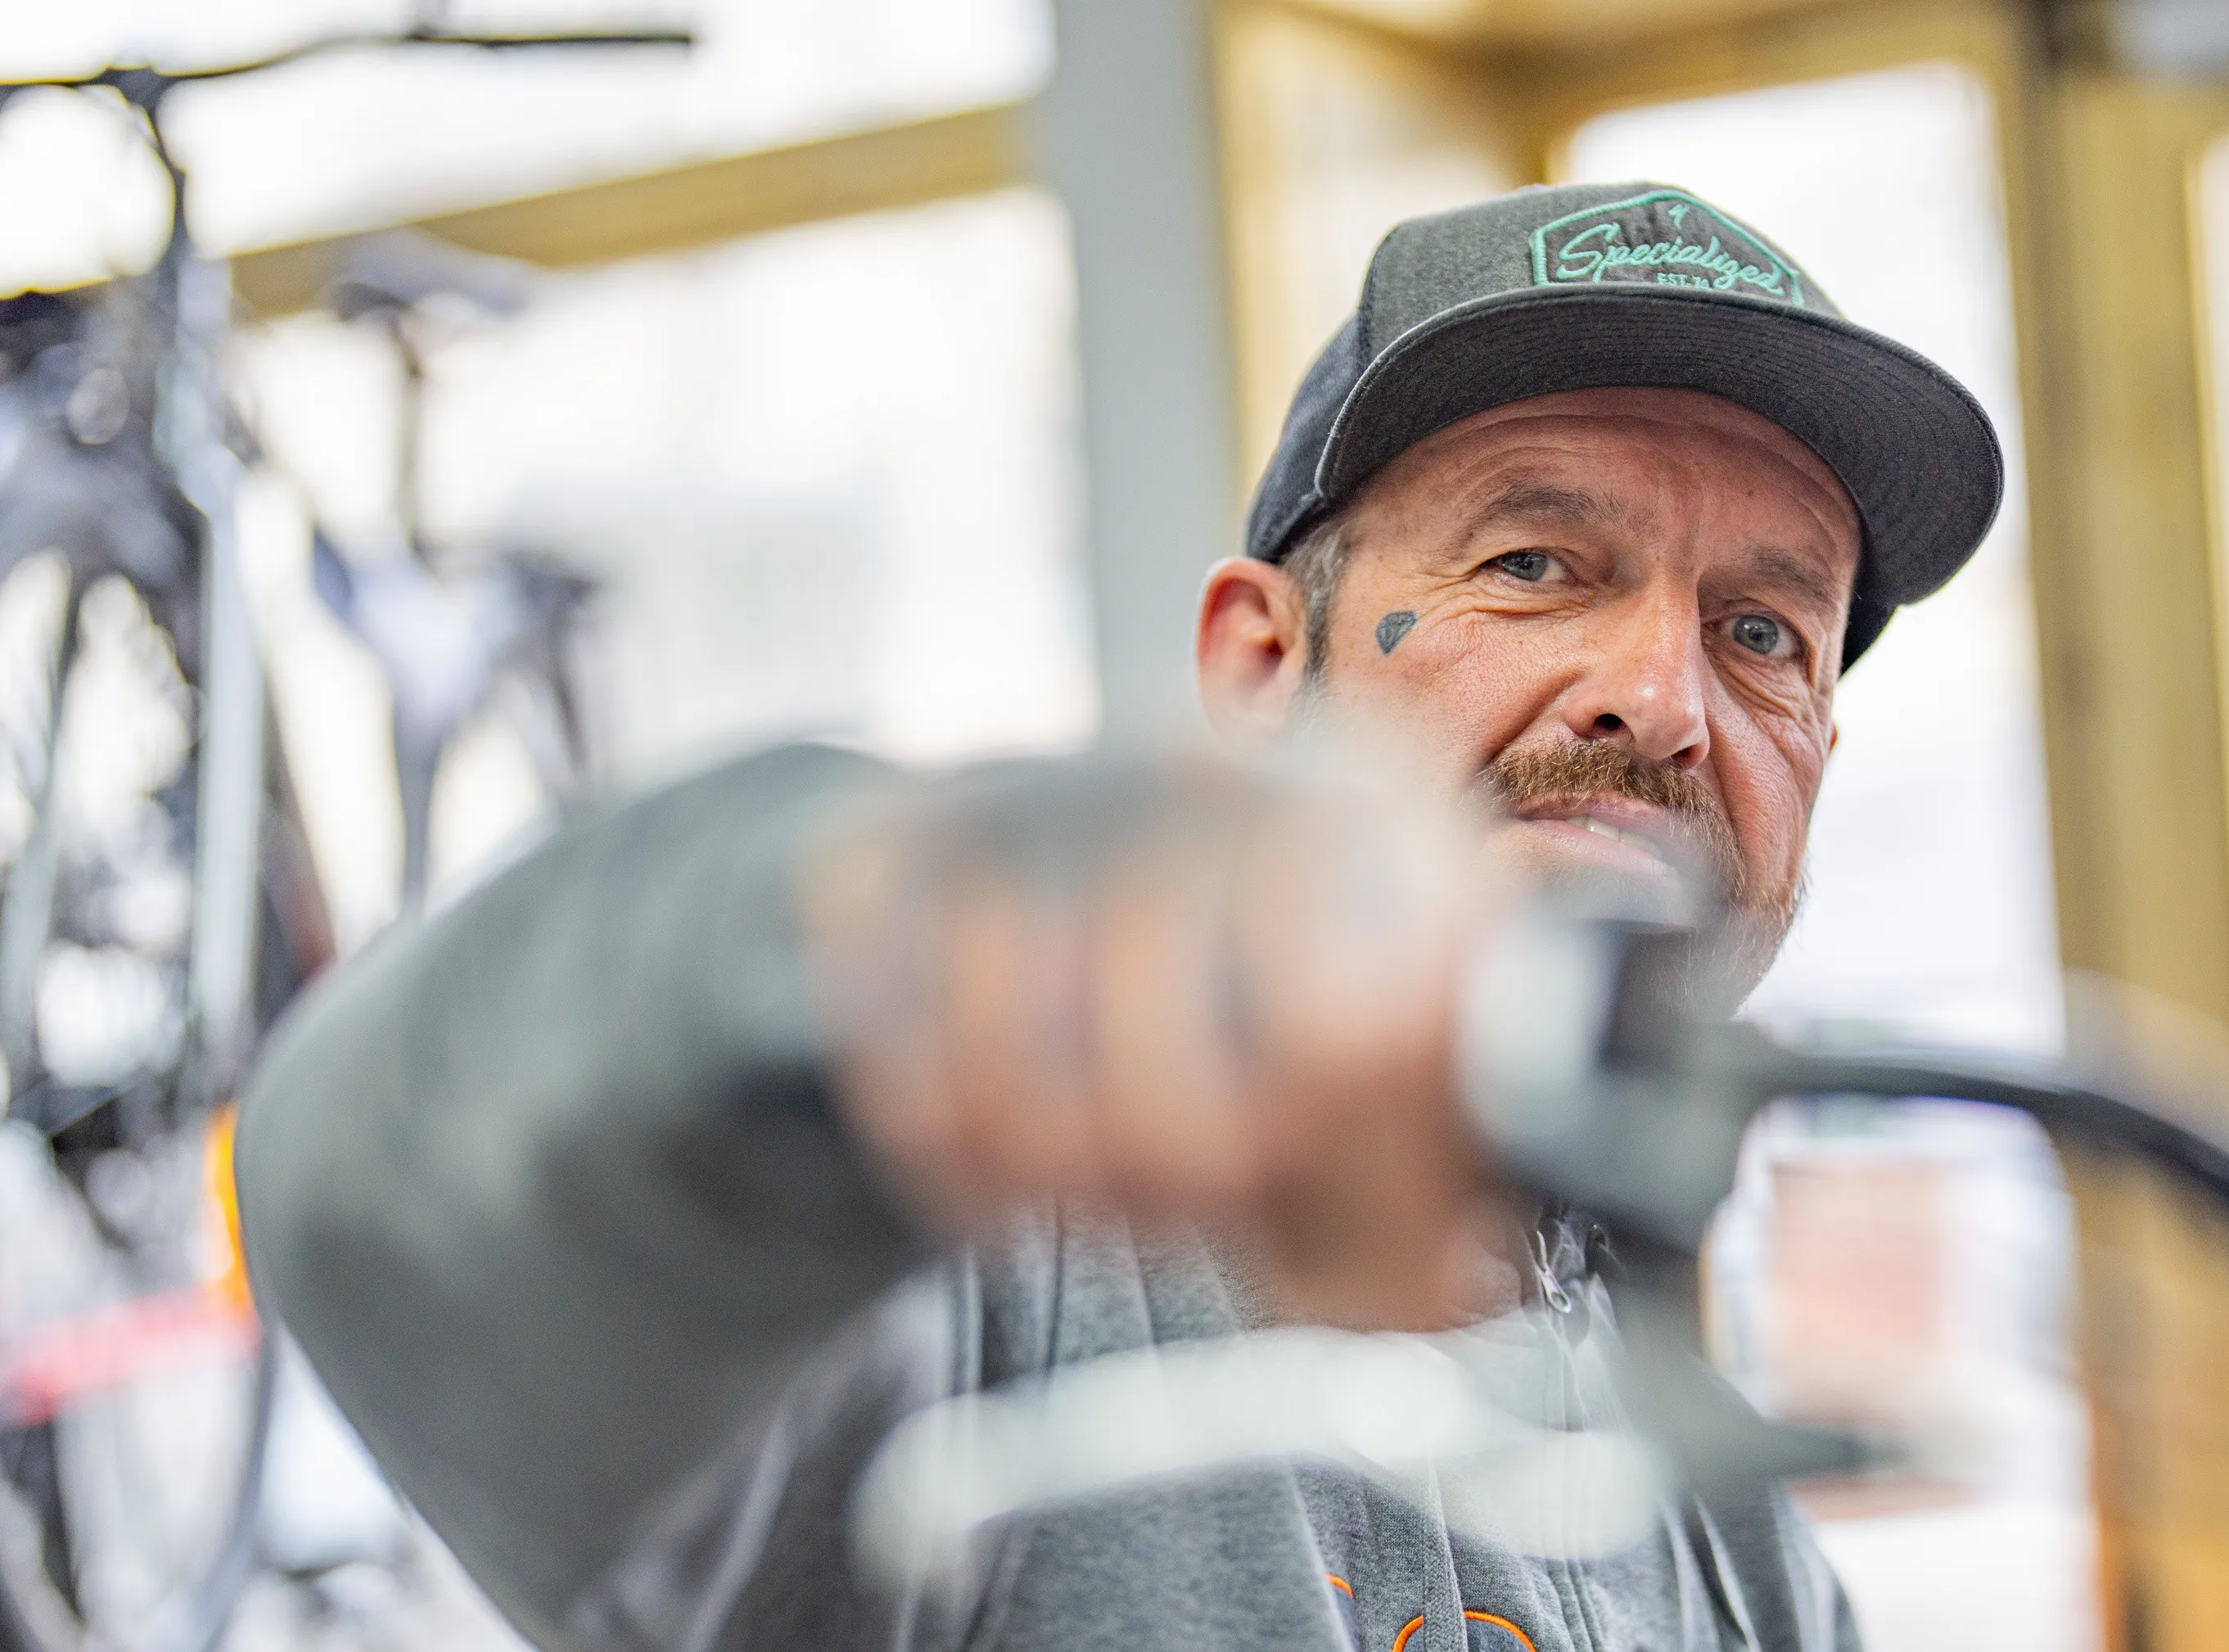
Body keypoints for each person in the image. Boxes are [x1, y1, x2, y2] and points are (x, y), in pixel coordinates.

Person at [237, 181, 2001, 1652]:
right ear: (1255, 669)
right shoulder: (983, 1261)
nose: (1661, 696)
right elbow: (363, 1180)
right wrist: (865, 927)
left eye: (1763, 629)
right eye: (1533, 563)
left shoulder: (1713, 1505)